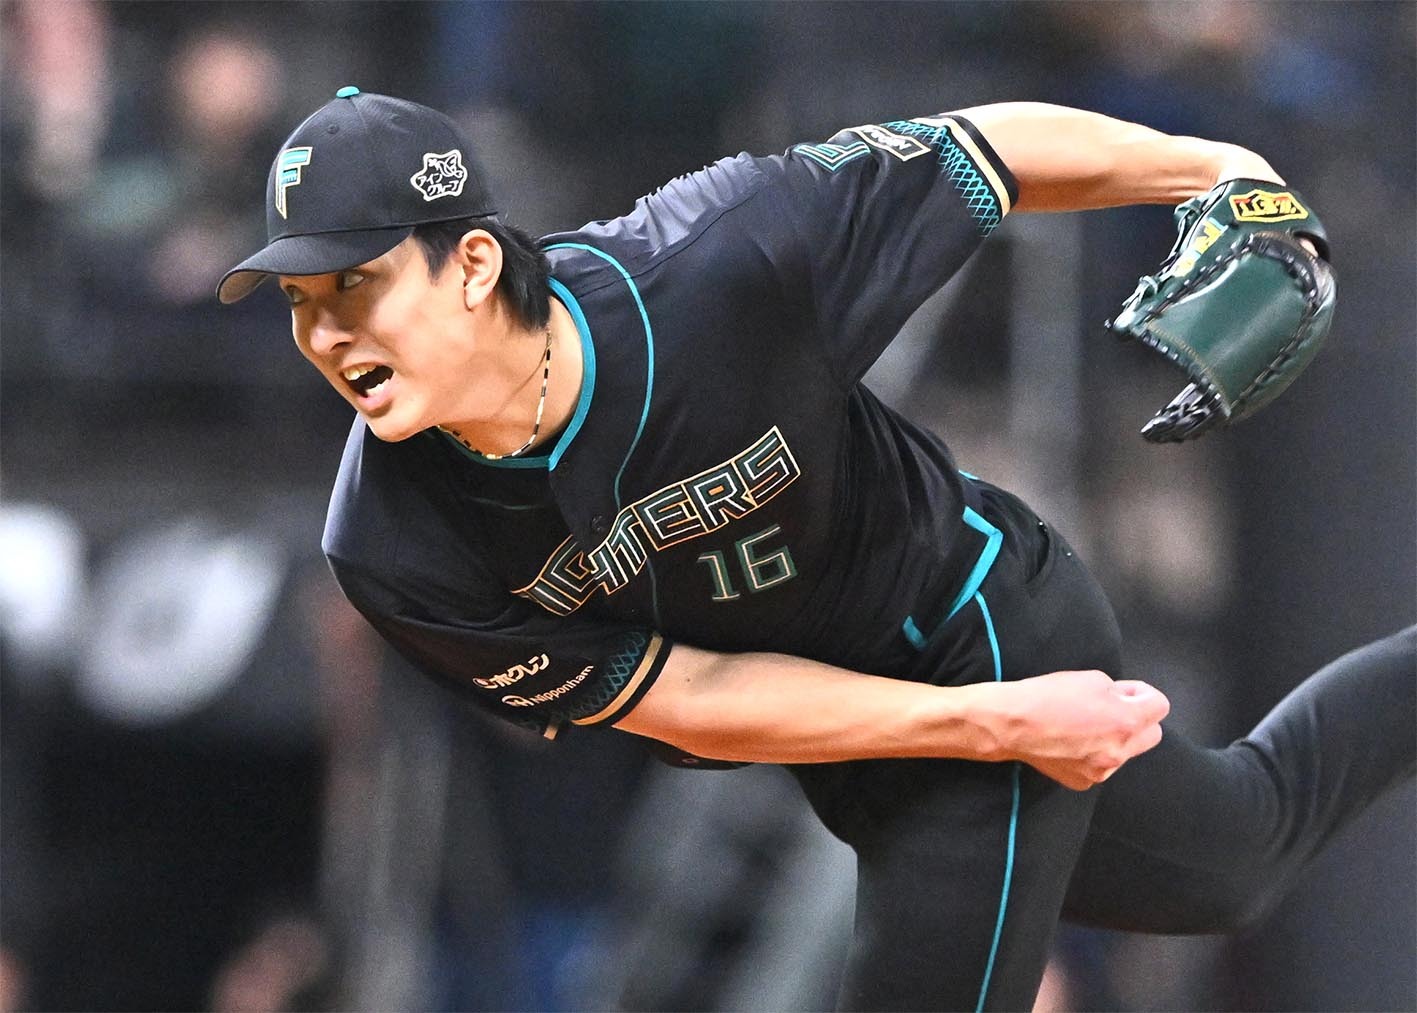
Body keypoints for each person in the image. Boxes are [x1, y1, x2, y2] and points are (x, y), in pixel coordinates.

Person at [219, 88, 1414, 1011]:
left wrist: (1215, 167)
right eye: (298, 298)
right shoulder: (391, 543)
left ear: (473, 263)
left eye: (357, 281)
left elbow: (984, 152)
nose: (326, 332)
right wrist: (978, 727)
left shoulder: (719, 261)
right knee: (1232, 854)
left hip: (976, 625)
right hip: (864, 732)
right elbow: (692, 699)